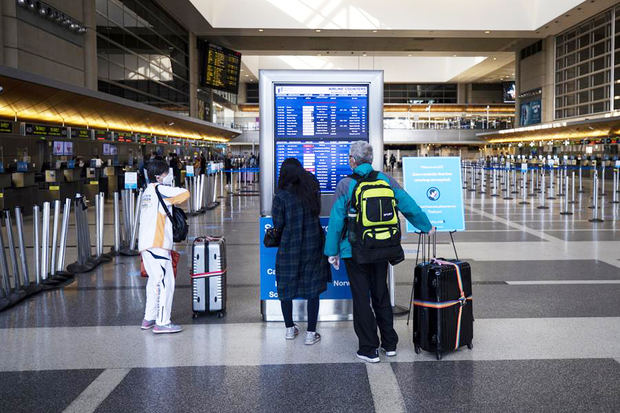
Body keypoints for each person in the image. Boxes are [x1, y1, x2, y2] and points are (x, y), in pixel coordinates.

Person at [324, 141, 434, 363]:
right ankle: (390, 344)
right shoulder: (386, 180)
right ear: (371, 160)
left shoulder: (346, 184)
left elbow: (336, 221)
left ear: (353, 160)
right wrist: (426, 225)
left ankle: (368, 349)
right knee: (381, 294)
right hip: (382, 248)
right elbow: (408, 204)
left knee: (362, 299)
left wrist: (332, 251)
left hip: (354, 251)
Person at [271, 158, 330, 345]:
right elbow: (318, 210)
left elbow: (278, 223)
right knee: (313, 288)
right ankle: (311, 333)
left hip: (290, 245)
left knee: (285, 286)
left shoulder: (281, 195)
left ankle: (289, 329)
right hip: (313, 243)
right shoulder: (311, 186)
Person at [139, 159, 190, 334]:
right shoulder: (161, 189)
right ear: (159, 176)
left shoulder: (146, 192)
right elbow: (185, 194)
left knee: (154, 282)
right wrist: (170, 186)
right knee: (166, 282)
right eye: (167, 173)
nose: (169, 176)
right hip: (158, 244)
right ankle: (162, 322)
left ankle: (149, 318)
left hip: (146, 244)